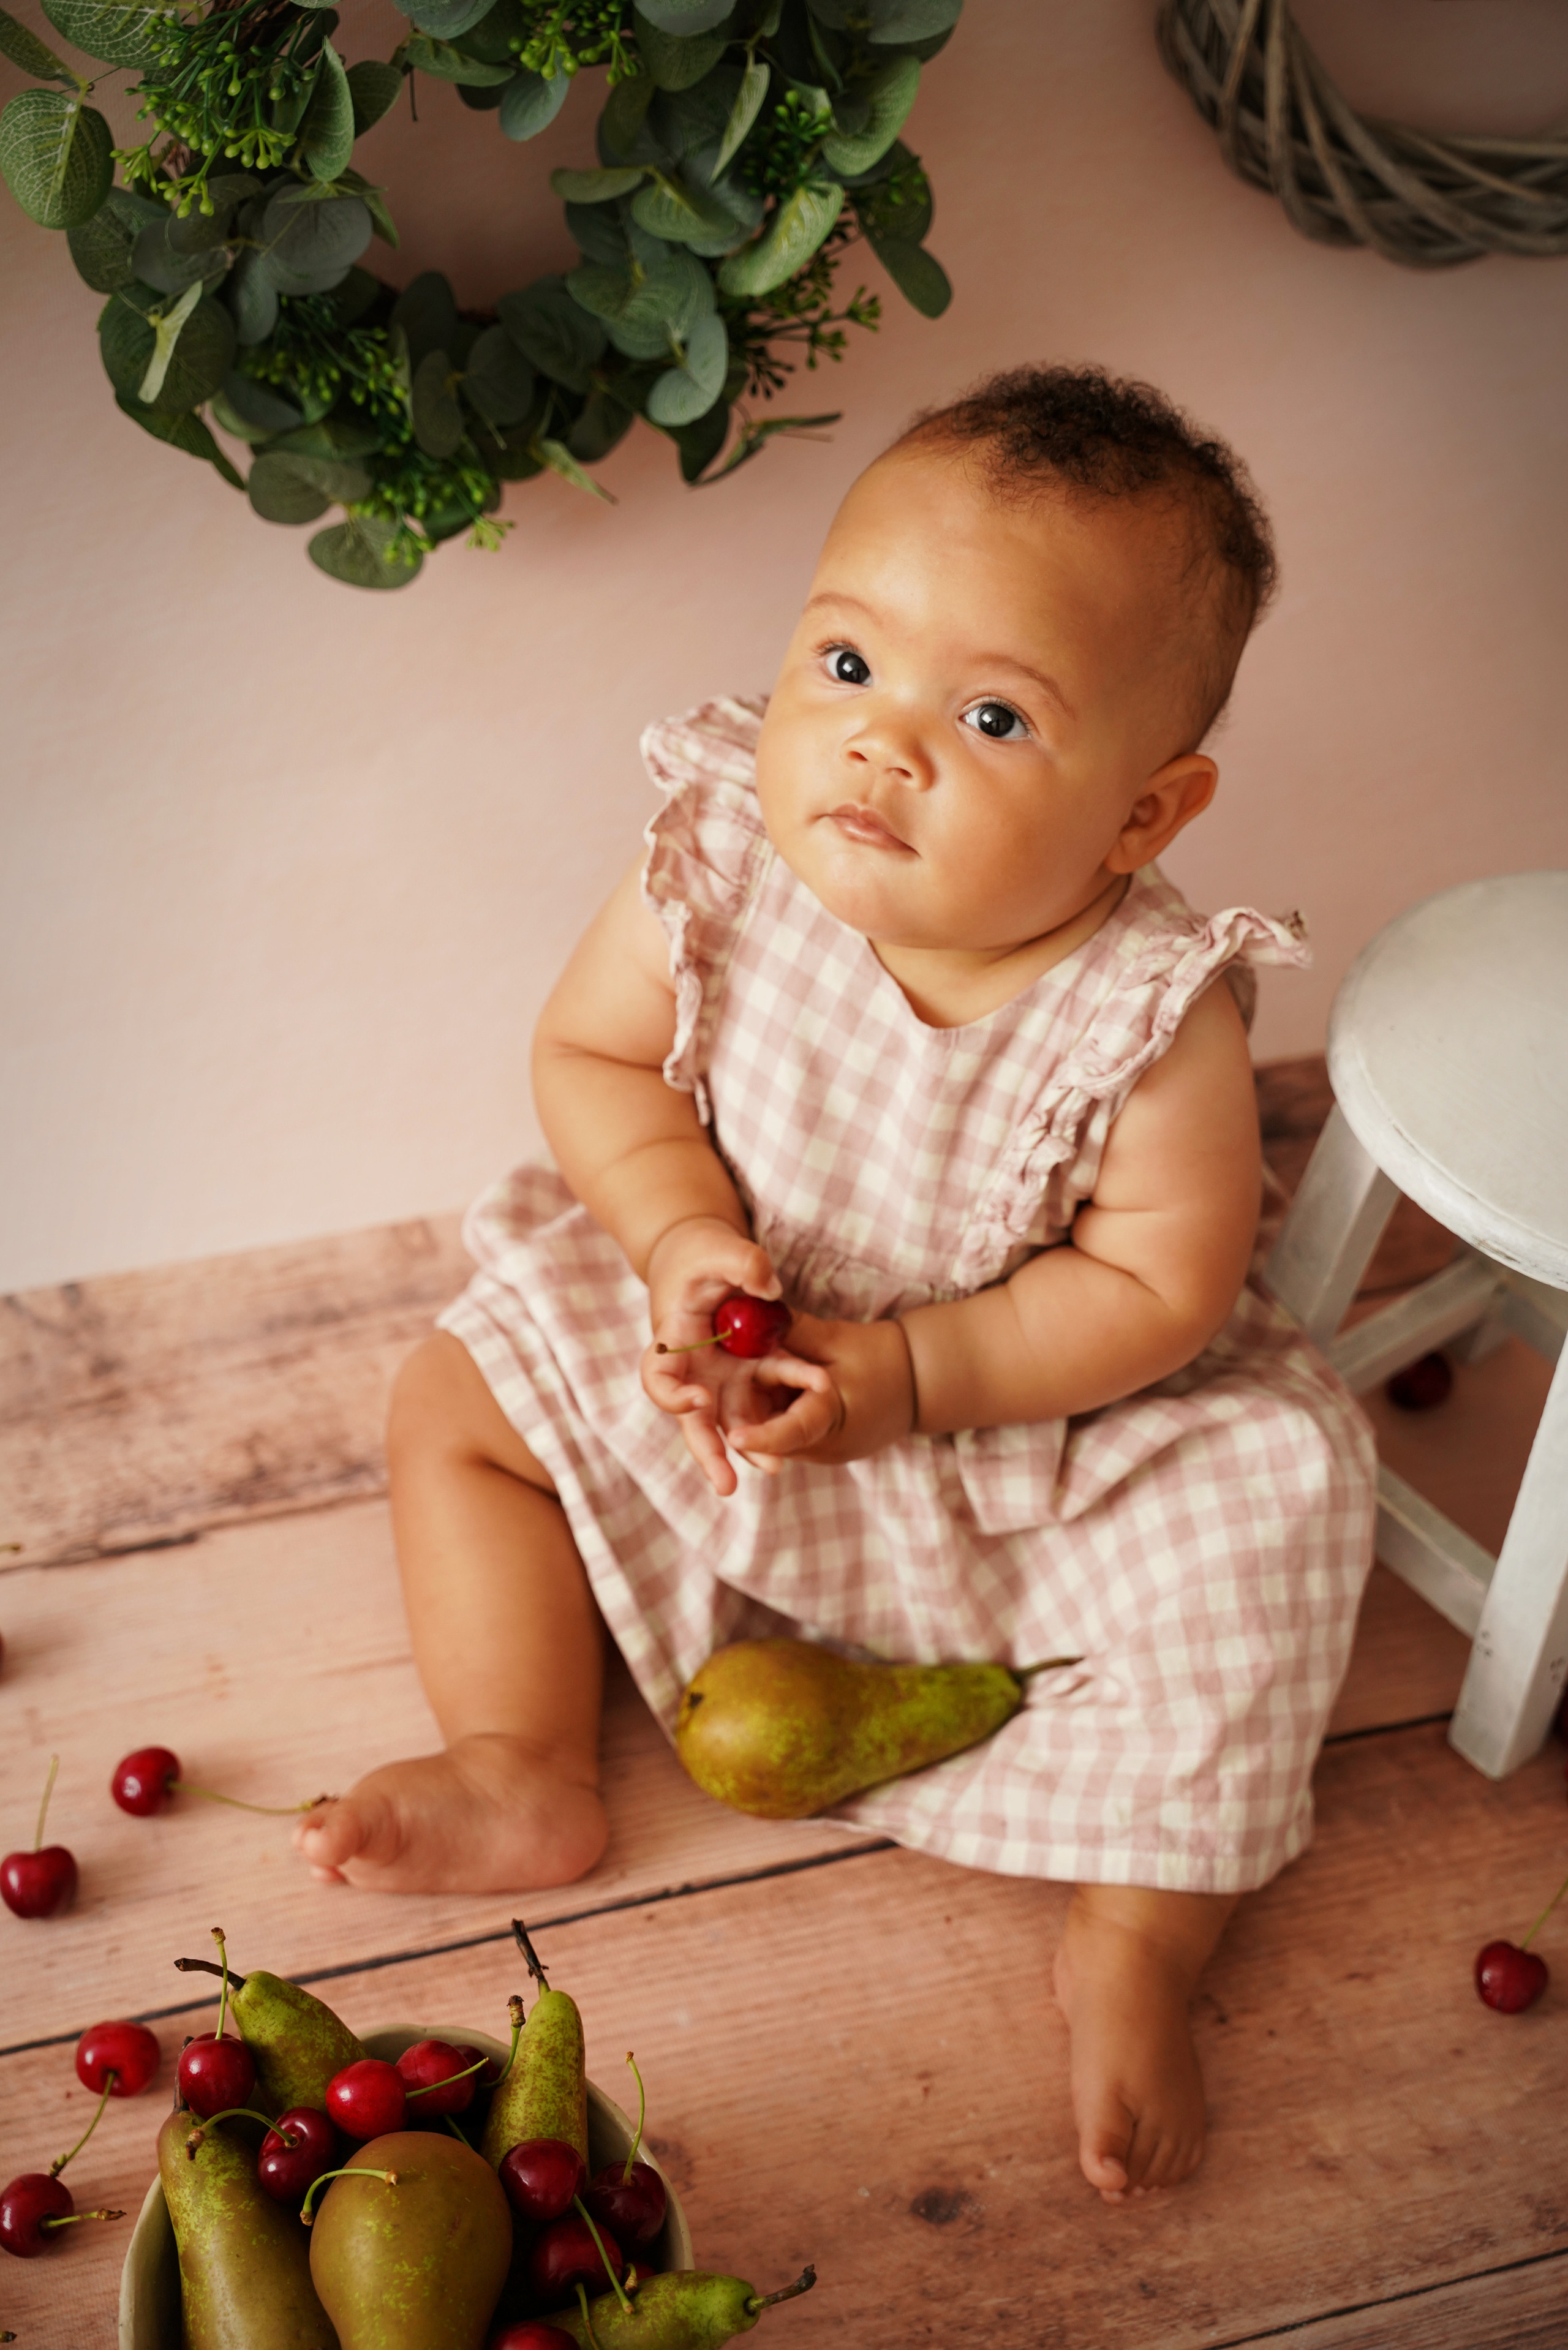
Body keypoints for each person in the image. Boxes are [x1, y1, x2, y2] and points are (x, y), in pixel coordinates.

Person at [295, 365, 1376, 2204]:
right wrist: (674, 1239)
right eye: (849, 667)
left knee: (1282, 1499)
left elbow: (1158, 1285)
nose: (880, 748)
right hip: (715, 1349)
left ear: (1143, 814)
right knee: (451, 1398)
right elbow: (594, 1063)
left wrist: (909, 1377)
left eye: (993, 714)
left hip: (1002, 1419)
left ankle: (1139, 1934)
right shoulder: (724, 851)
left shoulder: (1145, 1016)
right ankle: (522, 1754)